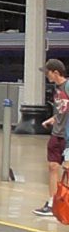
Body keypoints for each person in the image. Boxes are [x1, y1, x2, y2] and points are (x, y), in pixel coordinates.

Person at [35, 59, 69, 216]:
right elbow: (62, 110)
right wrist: (53, 119)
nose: (46, 76)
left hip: (67, 136)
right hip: (56, 134)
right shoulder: (56, 89)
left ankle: (65, 202)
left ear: (56, 72)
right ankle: (52, 202)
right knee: (53, 167)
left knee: (67, 169)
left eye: (48, 72)